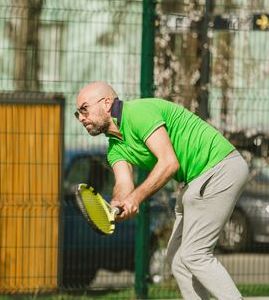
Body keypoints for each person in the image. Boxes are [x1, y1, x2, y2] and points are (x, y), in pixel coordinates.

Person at [75, 81, 249, 300]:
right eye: (77, 113)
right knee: (177, 259)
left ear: (107, 103)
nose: (81, 118)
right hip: (196, 181)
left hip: (219, 168)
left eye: (84, 109)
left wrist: (136, 198)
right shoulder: (114, 147)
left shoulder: (138, 113)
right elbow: (123, 183)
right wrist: (120, 202)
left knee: (195, 254)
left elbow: (169, 163)